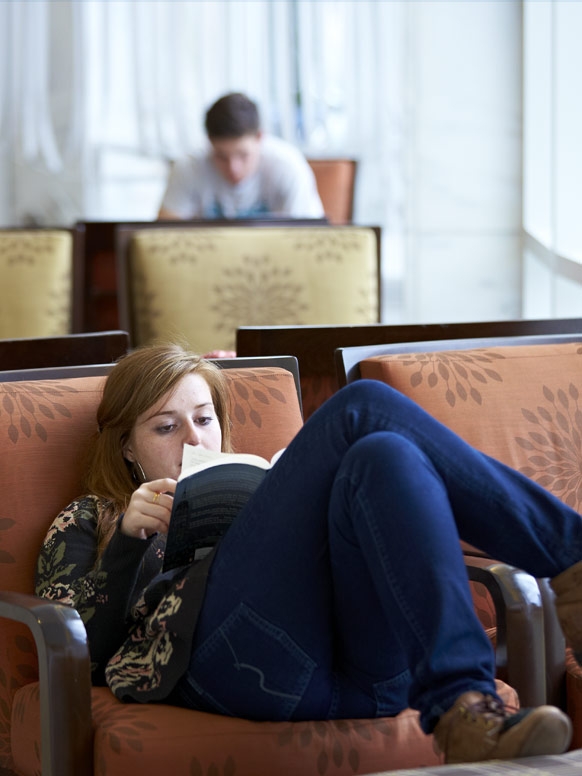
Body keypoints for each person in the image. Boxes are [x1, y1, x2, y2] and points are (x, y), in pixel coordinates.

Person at [35, 343, 582, 765]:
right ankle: (571, 559)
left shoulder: (253, 490)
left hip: (365, 671)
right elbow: (71, 650)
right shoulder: (92, 516)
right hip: (236, 666)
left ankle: (467, 711)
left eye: (204, 418)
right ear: (127, 445)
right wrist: (129, 544)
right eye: (165, 426)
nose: (194, 441)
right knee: (361, 408)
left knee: (384, 454)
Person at [157, 92, 325, 221]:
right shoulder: (188, 168)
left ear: (259, 137)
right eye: (221, 156)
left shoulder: (288, 166)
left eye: (243, 155)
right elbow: (163, 236)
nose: (233, 168)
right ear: (209, 142)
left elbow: (308, 239)